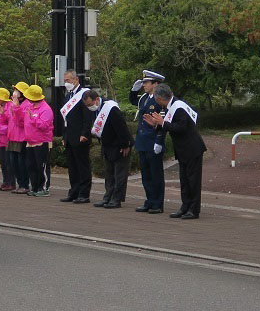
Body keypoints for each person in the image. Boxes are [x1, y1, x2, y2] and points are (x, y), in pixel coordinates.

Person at [143, 84, 206, 220]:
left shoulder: (178, 107)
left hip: (192, 148)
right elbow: (169, 125)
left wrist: (162, 123)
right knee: (184, 180)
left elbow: (181, 127)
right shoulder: (170, 106)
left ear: (160, 98)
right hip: (183, 150)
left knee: (193, 181)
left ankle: (194, 210)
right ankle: (185, 206)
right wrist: (156, 124)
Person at [84, 90, 133, 209]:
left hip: (119, 145)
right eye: (87, 106)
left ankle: (116, 199)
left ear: (96, 99)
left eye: (90, 104)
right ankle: (108, 197)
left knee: (119, 173)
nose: (89, 107)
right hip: (107, 144)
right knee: (109, 172)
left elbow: (121, 127)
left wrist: (126, 144)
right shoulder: (95, 109)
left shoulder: (110, 108)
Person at [129, 70, 168, 214]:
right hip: (143, 141)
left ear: (155, 84)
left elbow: (162, 123)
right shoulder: (144, 97)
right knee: (146, 174)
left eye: (146, 82)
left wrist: (159, 141)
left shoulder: (160, 99)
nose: (144, 85)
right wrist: (134, 90)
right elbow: (133, 101)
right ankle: (150, 200)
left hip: (153, 141)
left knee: (155, 174)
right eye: (143, 82)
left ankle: (158, 203)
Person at [58, 70, 95, 204]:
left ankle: (84, 194)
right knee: (72, 167)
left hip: (80, 136)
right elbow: (65, 120)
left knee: (82, 166)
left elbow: (87, 117)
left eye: (68, 80)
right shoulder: (68, 97)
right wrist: (64, 136)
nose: (66, 83)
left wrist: (85, 134)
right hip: (69, 136)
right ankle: (73, 192)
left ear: (76, 80)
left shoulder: (84, 94)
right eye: (65, 81)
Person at [22, 85, 54, 197]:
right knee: (31, 165)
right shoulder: (30, 107)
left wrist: (33, 118)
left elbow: (44, 126)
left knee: (41, 166)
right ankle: (35, 187)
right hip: (30, 141)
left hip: (42, 141)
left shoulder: (46, 109)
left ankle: (43, 187)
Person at [7, 82, 30, 194]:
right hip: (12, 137)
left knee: (22, 163)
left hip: (21, 138)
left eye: (17, 90)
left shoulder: (26, 104)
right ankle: (19, 183)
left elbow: (21, 122)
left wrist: (16, 108)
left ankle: (24, 184)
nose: (15, 92)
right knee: (14, 163)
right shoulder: (13, 103)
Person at [0, 87, 15, 191]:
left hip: (7, 138)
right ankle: (5, 182)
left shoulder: (10, 106)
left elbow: (10, 123)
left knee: (8, 162)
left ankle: (11, 182)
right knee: (3, 162)